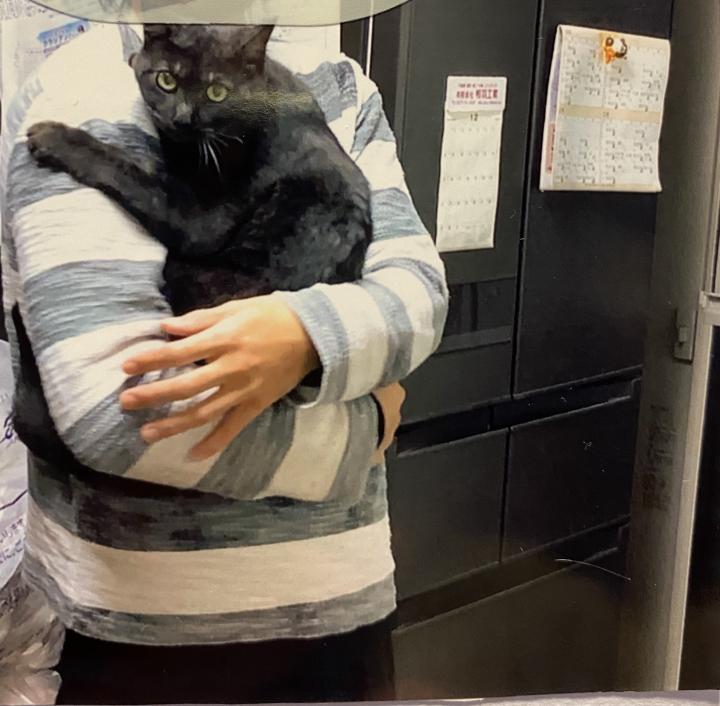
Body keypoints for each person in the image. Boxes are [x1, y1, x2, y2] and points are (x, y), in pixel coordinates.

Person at [1, 22, 448, 705]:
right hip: (145, 633)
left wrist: (301, 338)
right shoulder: (75, 91)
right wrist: (366, 428)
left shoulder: (340, 85)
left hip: (341, 607)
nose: (183, 110)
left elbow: (420, 296)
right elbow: (123, 418)